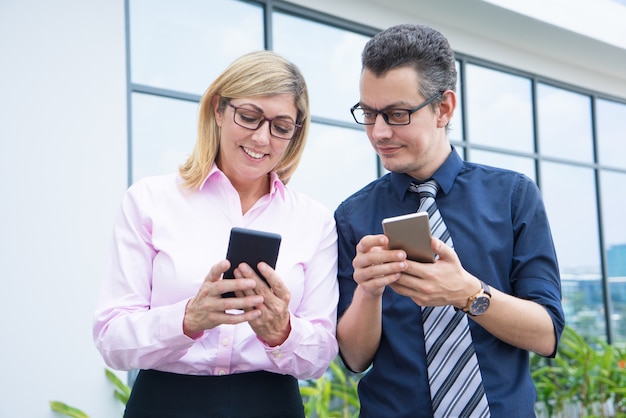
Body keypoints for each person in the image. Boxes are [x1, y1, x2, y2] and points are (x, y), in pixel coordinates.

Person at [335, 24, 565, 417]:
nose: (379, 132)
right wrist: (368, 292)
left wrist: (467, 293)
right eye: (369, 114)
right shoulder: (353, 216)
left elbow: (546, 335)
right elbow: (355, 359)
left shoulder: (512, 196)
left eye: (397, 114)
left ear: (443, 108)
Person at [93, 50, 339, 418]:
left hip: (271, 406)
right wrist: (189, 318)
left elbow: (320, 355)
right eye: (250, 117)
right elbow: (112, 339)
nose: (262, 138)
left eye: (281, 127)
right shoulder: (149, 200)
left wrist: (281, 331)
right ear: (218, 110)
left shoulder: (314, 220)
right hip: (164, 404)